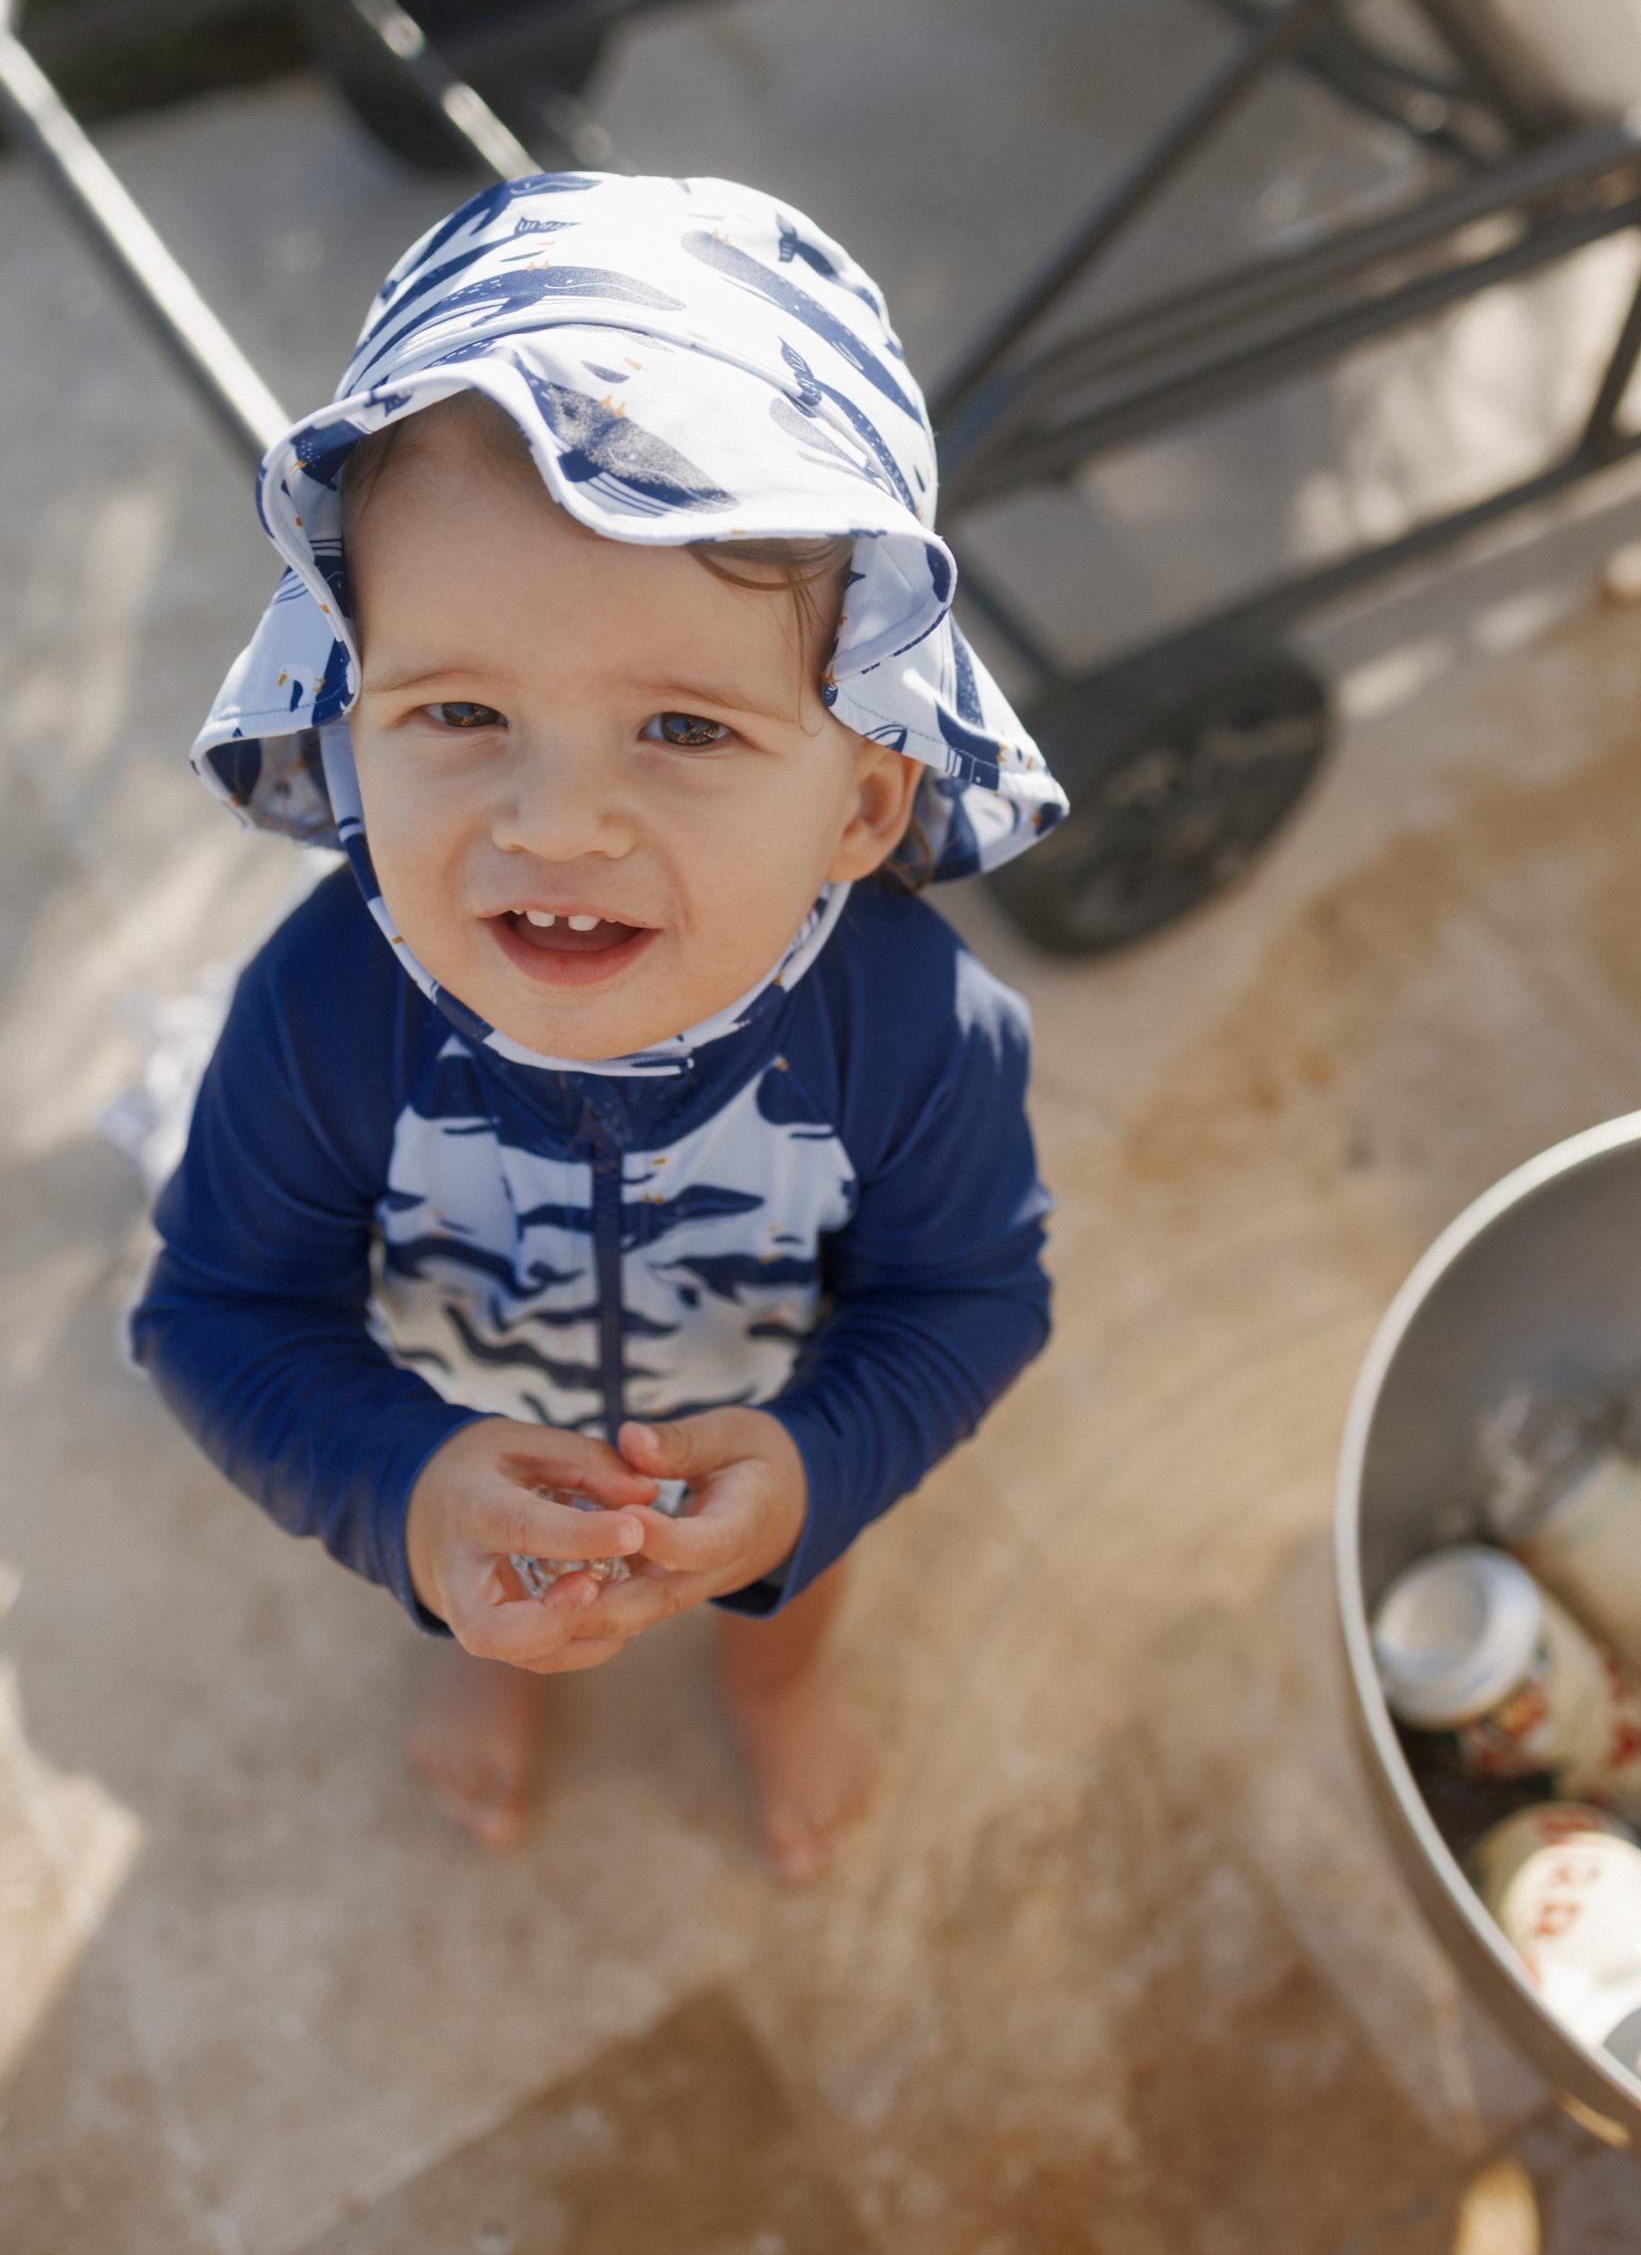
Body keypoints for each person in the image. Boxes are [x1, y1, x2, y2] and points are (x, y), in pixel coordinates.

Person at [131, 171, 1066, 1879]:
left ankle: (776, 1689)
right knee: (477, 1563)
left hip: (772, 1413)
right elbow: (217, 1313)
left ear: (865, 803)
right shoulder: (324, 1015)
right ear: (346, 724)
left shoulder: (918, 1034)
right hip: (454, 1402)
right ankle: (488, 1660)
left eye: (685, 733)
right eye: (462, 708)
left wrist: (812, 1461)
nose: (555, 823)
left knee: (793, 1569)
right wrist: (407, 1497)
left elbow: (969, 1294)